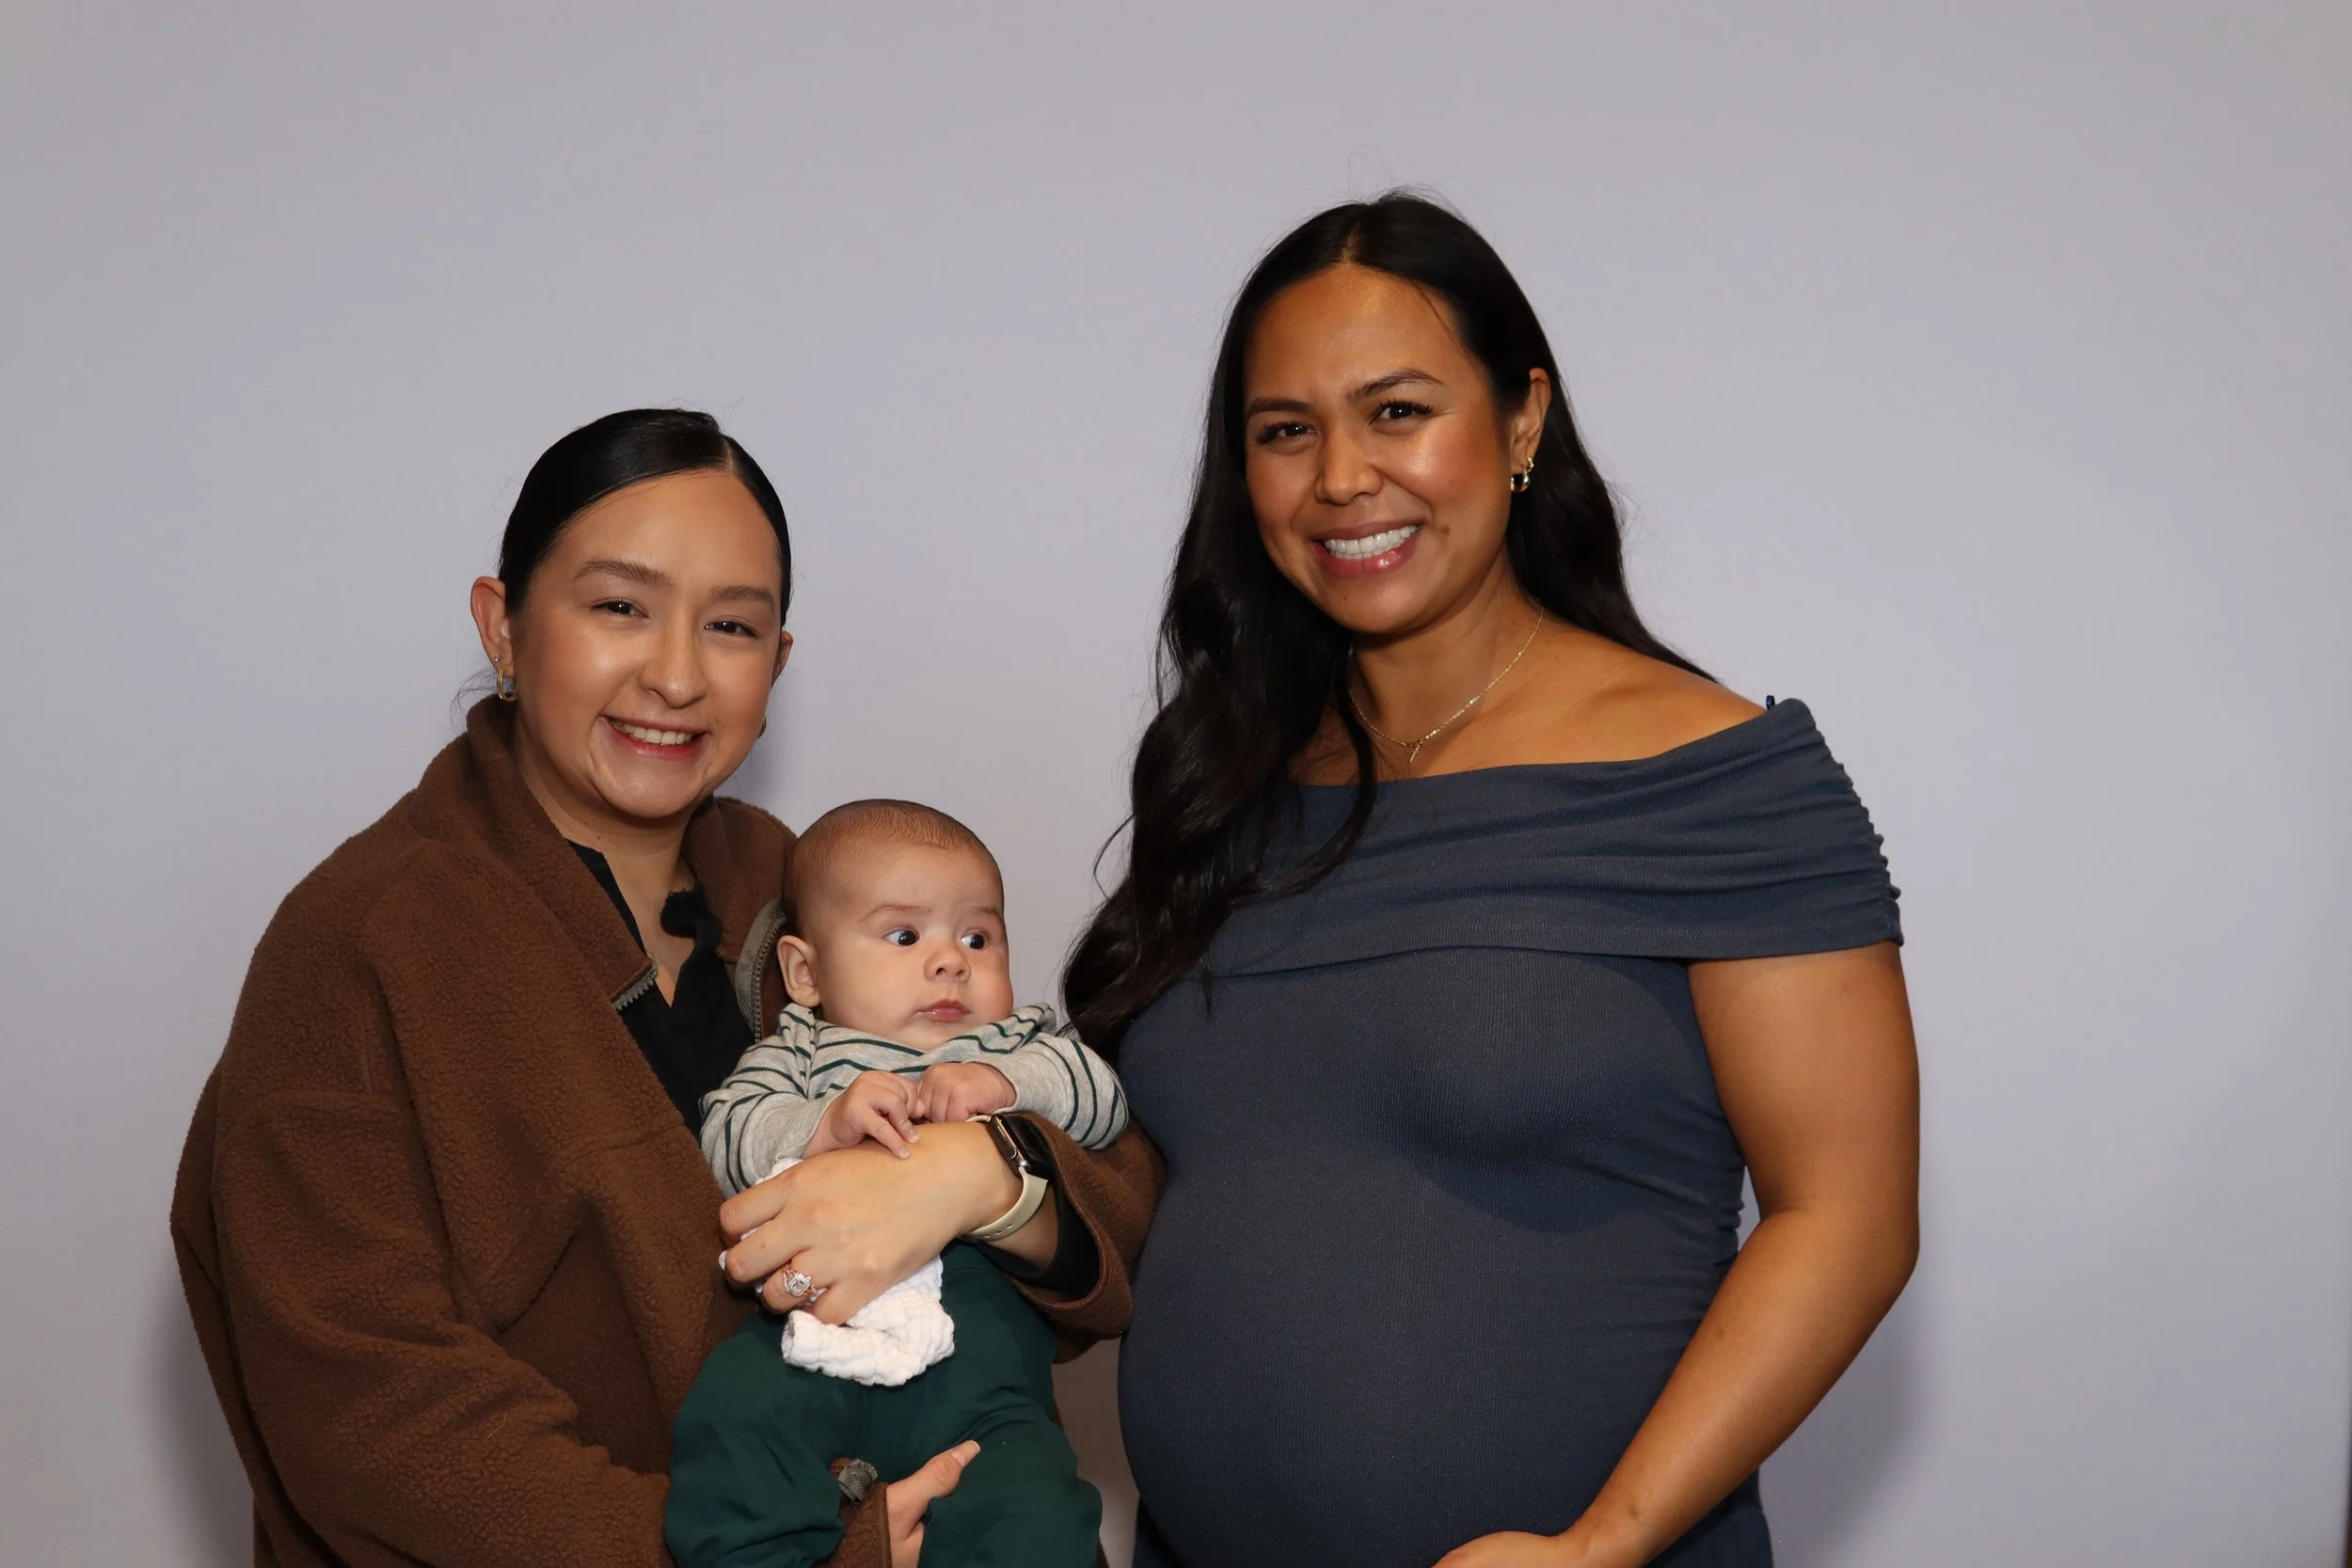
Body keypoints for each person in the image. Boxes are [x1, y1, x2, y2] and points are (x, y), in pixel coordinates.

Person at [1065, 193, 1919, 1568]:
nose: (1342, 477)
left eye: (1397, 411)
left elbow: (1849, 1218)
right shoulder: (1224, 778)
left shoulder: (1716, 779)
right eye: (1285, 430)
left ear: (1523, 422)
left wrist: (1604, 1542)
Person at [170, 408, 1159, 1568]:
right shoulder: (365, 940)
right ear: (502, 624)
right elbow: (367, 1412)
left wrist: (978, 1175)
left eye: (731, 625)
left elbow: (1122, 1192)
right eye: (619, 606)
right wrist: (803, 1551)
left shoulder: (816, 890)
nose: (678, 674)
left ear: (776, 663)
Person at [666, 799, 1127, 1567]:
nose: (951, 961)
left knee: (1038, 1505)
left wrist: (1005, 1084)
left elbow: (1102, 1094)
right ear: (806, 973)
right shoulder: (799, 1051)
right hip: (808, 1343)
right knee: (733, 1415)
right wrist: (821, 1124)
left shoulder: (1012, 1041)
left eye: (977, 937)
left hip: (980, 1372)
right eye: (906, 935)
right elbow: (726, 1132)